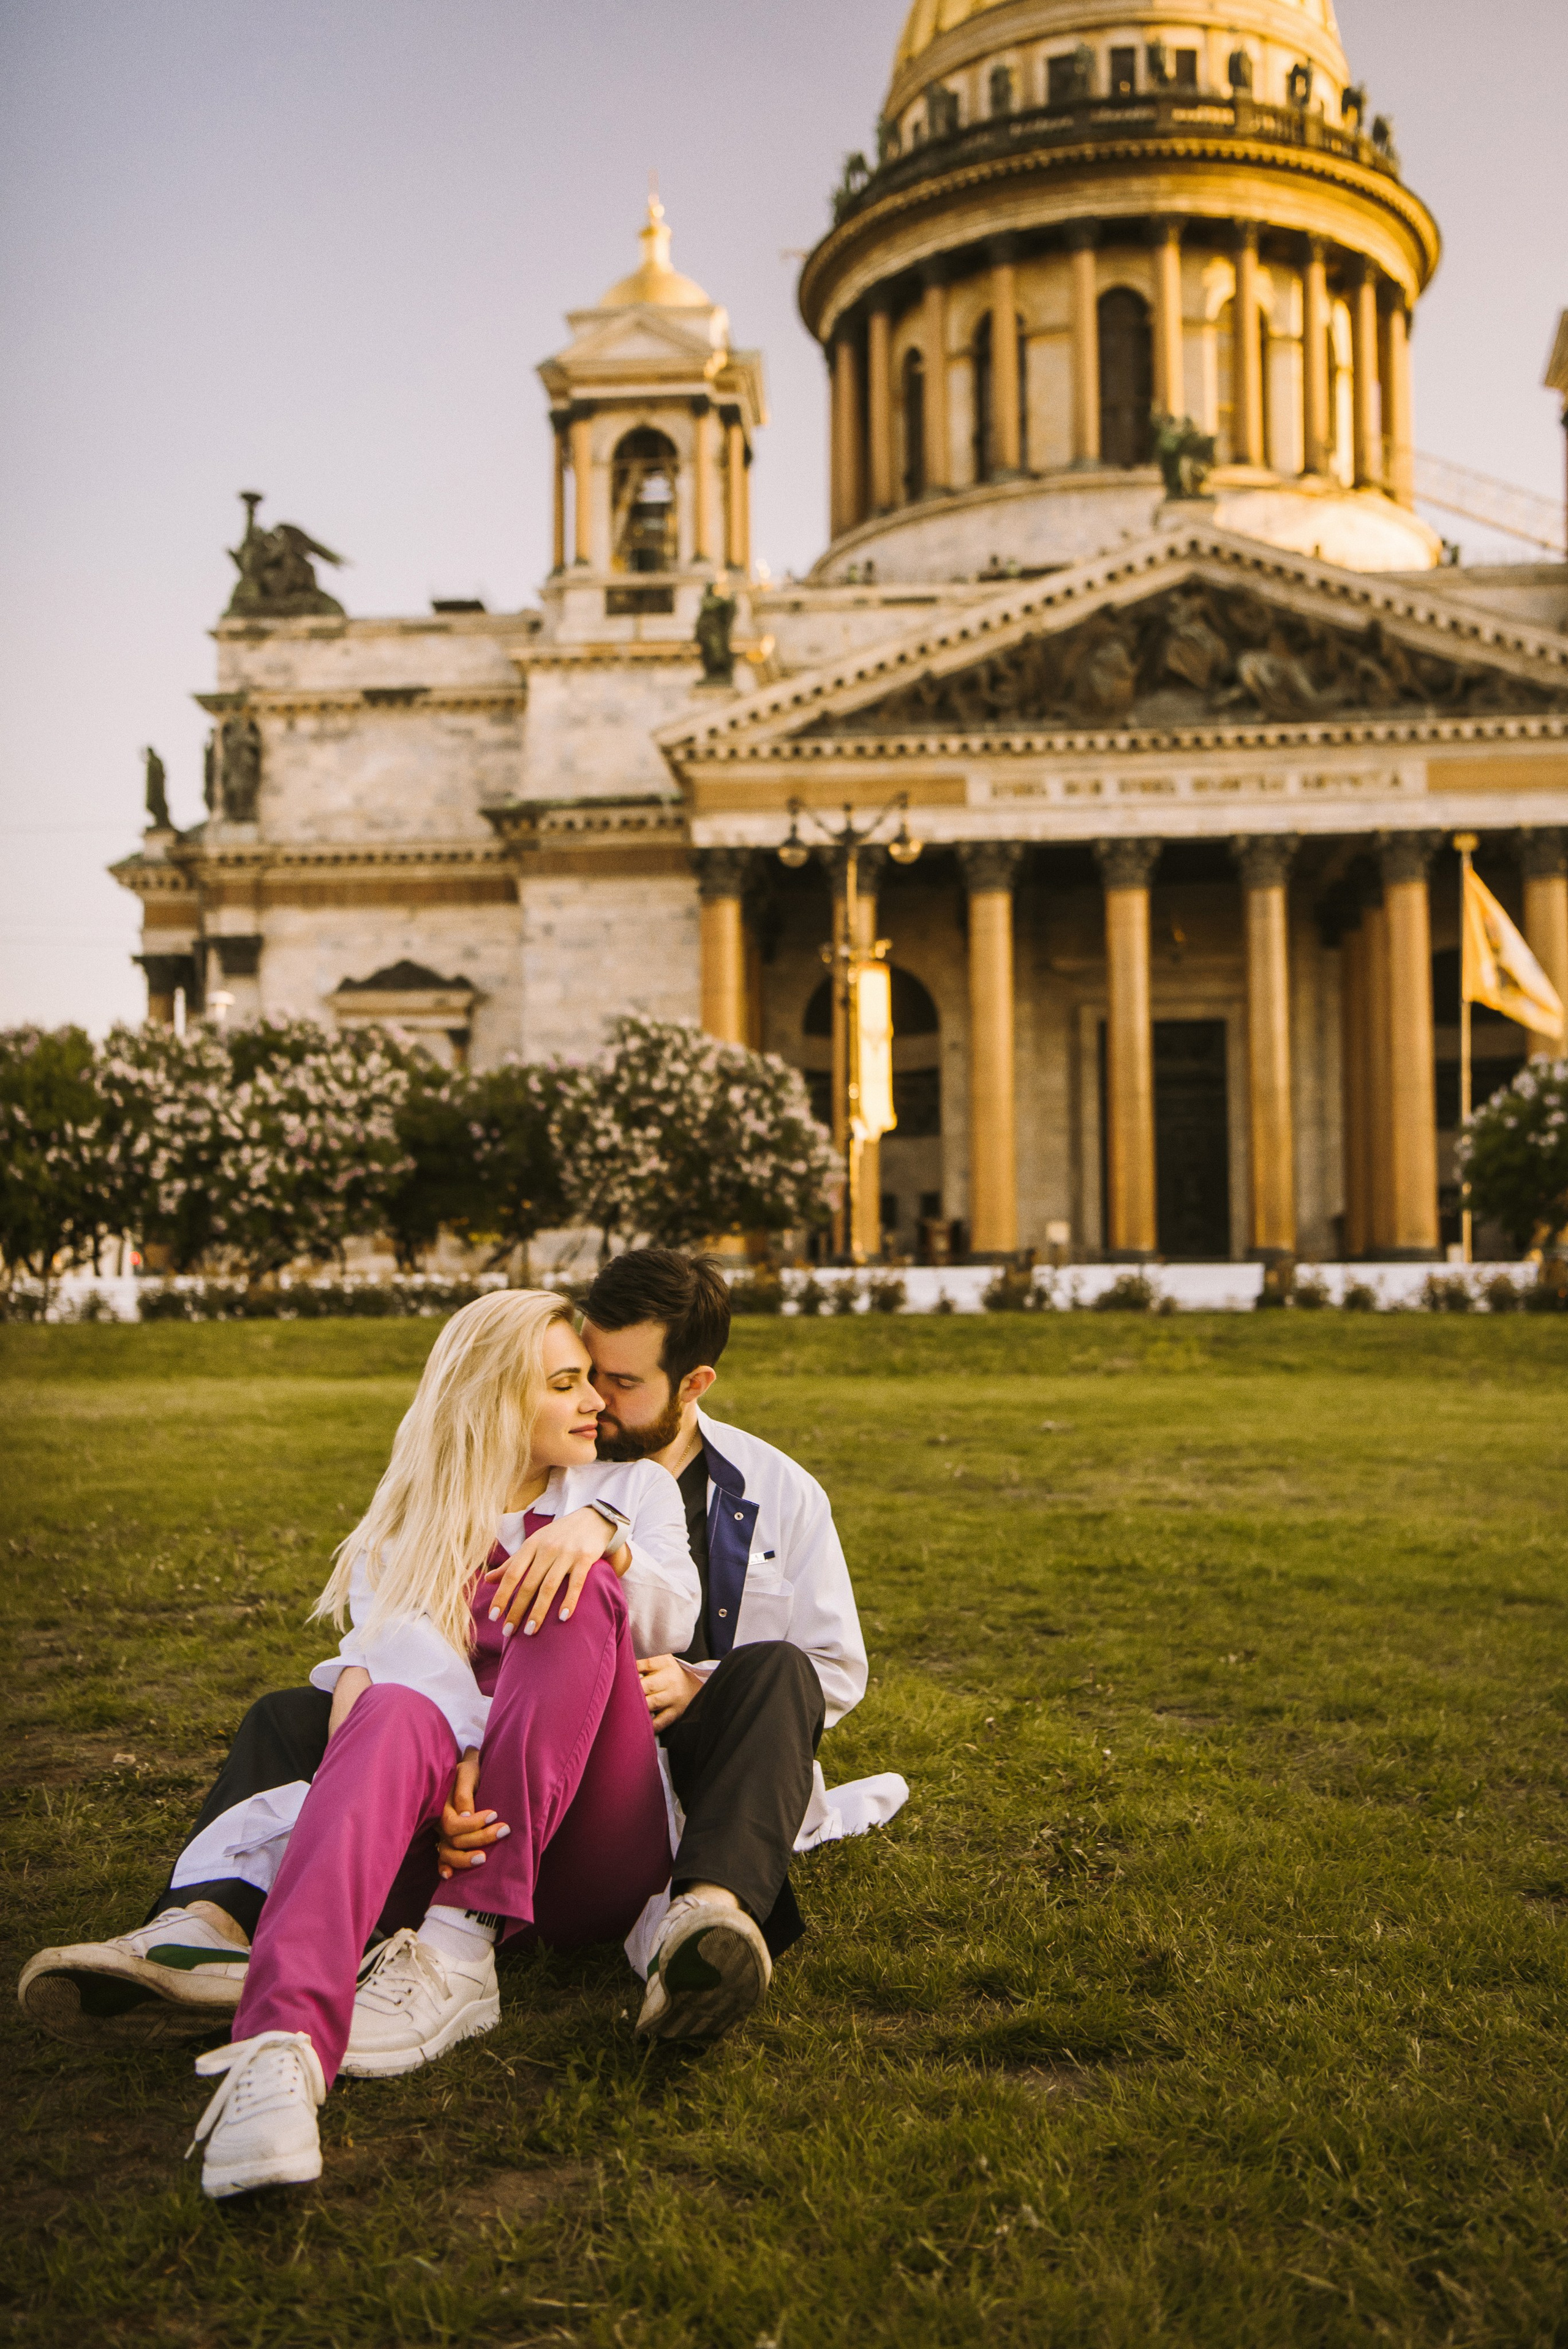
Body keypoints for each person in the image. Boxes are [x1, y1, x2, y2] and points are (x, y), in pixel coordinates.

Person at [20, 1251, 887, 2066]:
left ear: (691, 1384)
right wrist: (452, 1757)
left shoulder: (764, 1492)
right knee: (292, 1711)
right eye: (577, 1373)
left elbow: (830, 1670)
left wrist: (690, 1672)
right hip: (508, 1746)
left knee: (774, 1669)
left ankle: (706, 1914)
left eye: (618, 1383)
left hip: (669, 1758)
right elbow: (394, 1653)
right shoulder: (465, 1504)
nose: (597, 1398)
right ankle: (206, 1922)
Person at [32, 1289, 700, 2200]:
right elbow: (401, 1675)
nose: (596, 1403)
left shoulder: (633, 1489)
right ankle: (280, 2054)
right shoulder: (408, 1530)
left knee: (576, 1592)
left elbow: (672, 1621)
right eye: (567, 1383)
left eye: (592, 1381)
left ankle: (465, 1945)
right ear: (497, 1399)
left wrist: (601, 1538)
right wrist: (465, 1770)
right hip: (450, 1831)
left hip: (590, 1846)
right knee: (385, 1710)